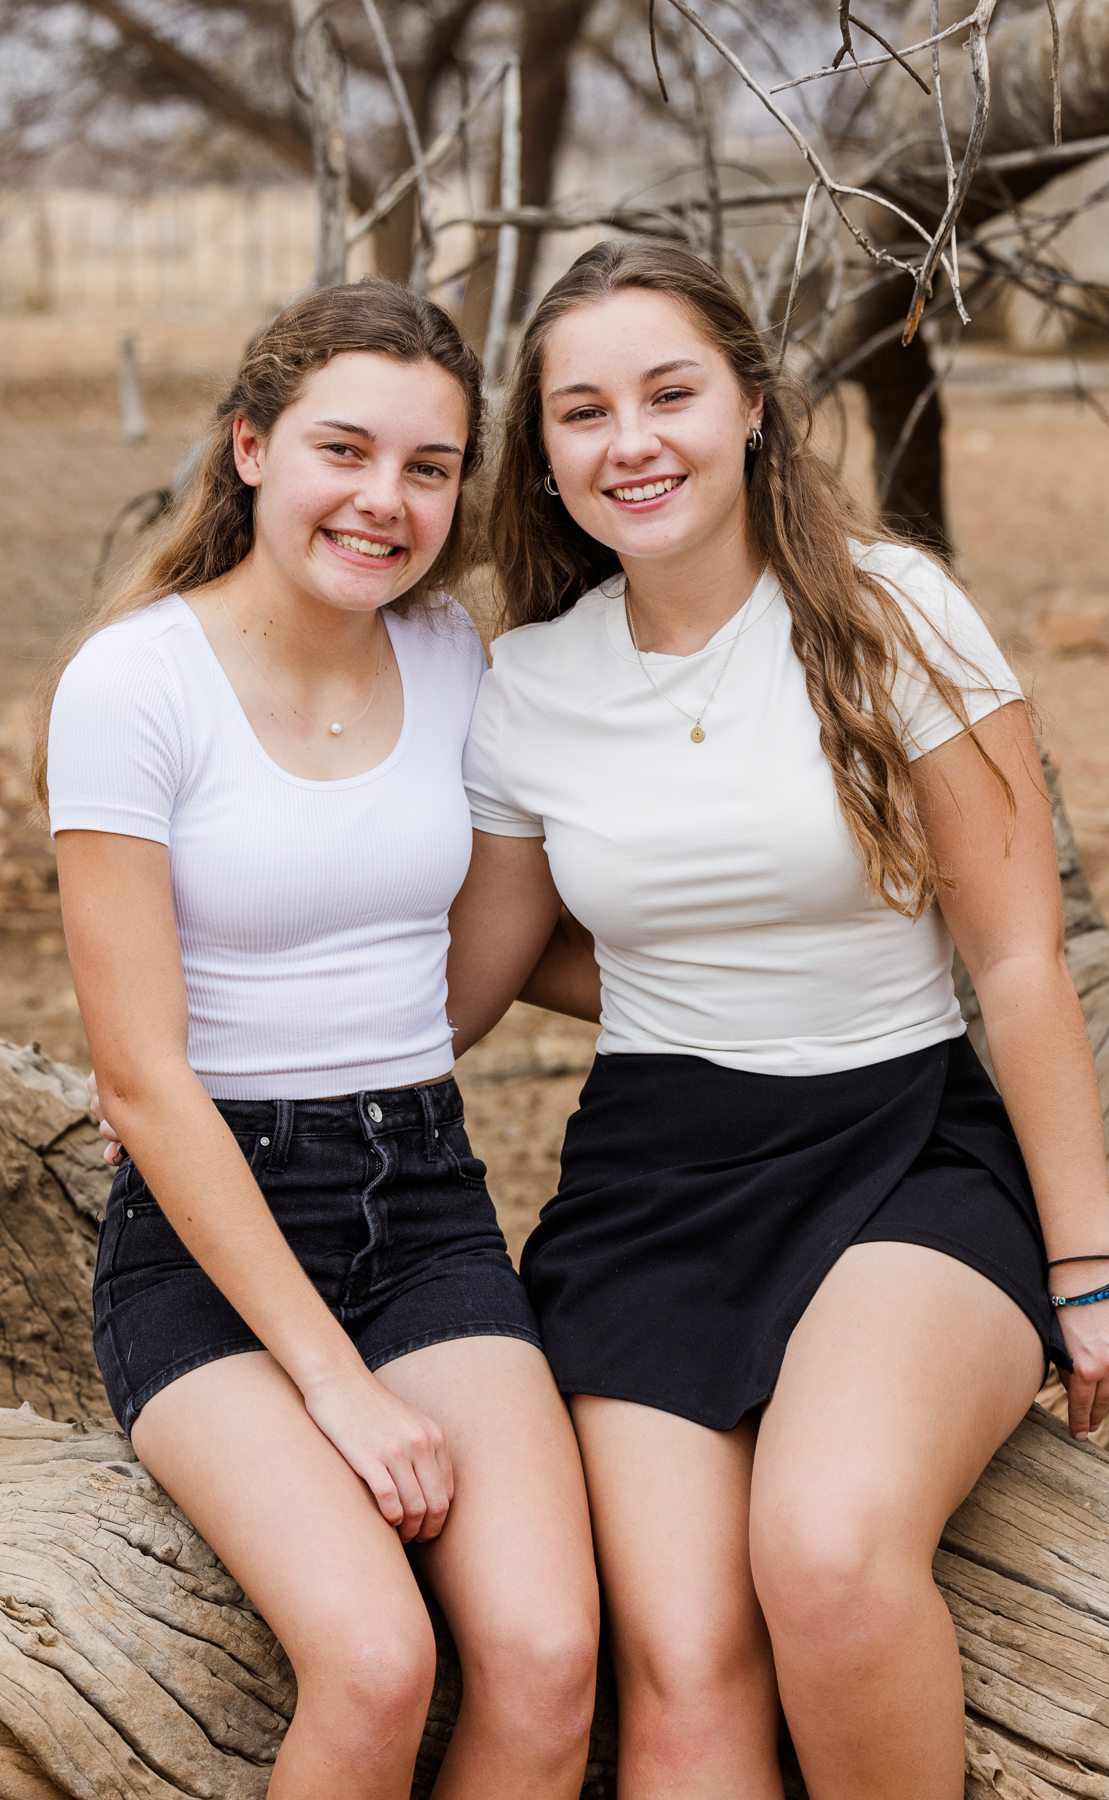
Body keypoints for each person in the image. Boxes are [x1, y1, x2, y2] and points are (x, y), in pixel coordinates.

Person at [443, 241, 1109, 1800]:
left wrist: (1087, 1262)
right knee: (685, 1671)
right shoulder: (523, 688)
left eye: (668, 392)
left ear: (754, 406)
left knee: (826, 1558)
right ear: (543, 453)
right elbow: (471, 981)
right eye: (581, 411)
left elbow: (1019, 956)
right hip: (653, 1185)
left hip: (905, 1147)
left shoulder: (889, 610)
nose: (628, 440)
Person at [33, 279, 599, 1800]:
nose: (384, 500)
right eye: (343, 450)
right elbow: (144, 1081)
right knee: (375, 1660)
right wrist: (340, 1390)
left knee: (547, 1664)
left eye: (428, 467)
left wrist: (784, 982)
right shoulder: (134, 684)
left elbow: (501, 943)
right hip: (208, 1234)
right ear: (249, 449)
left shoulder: (448, 658)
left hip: (425, 1207)